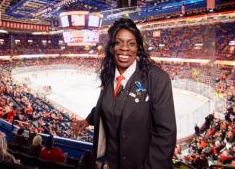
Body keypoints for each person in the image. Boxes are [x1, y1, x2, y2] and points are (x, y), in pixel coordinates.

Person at [73, 18, 177, 169]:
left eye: (131, 43)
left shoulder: (157, 79)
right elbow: (107, 107)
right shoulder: (108, 75)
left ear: (138, 47)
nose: (125, 48)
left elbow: (166, 134)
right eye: (118, 42)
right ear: (112, 47)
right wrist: (89, 120)